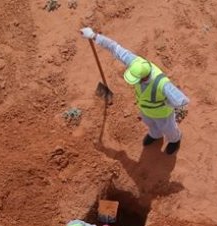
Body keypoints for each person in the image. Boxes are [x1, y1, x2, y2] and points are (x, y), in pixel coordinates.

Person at [80, 27, 190, 155]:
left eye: (136, 79)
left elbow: (182, 100)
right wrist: (94, 36)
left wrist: (166, 103)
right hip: (145, 109)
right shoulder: (135, 63)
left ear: (144, 77)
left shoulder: (162, 84)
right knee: (150, 124)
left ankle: (175, 140)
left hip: (162, 114)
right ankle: (155, 135)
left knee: (169, 129)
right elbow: (114, 48)